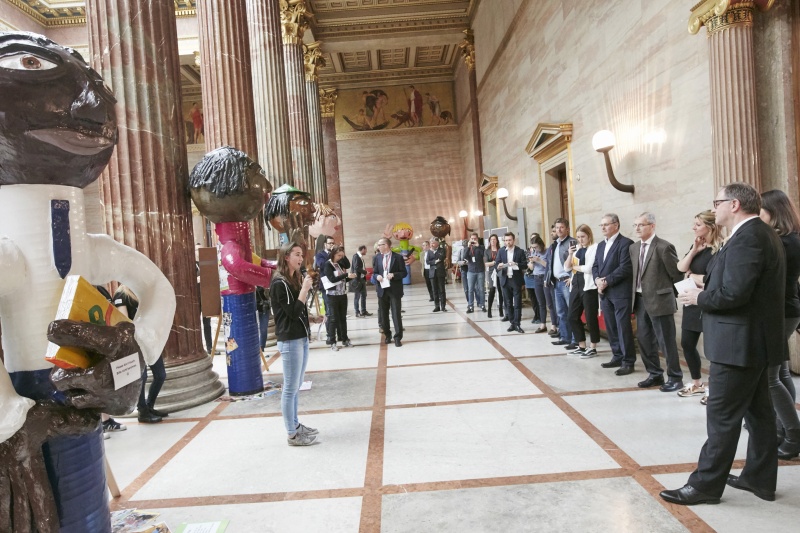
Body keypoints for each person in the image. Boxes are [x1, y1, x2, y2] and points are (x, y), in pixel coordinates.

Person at [662, 183, 785, 506]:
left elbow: (735, 293)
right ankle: (759, 478)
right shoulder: (753, 234)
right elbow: (734, 282)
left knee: (722, 416)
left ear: (733, 205)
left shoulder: (750, 237)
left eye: (716, 202)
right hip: (750, 342)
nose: (713, 208)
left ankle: (705, 485)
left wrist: (698, 296)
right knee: (759, 414)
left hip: (740, 343)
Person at [760, 189, 800, 459]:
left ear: (772, 212)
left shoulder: (781, 242)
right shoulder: (793, 239)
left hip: (780, 311)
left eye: (760, 211)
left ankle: (794, 436)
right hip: (789, 308)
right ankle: (781, 429)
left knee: (769, 377)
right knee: (781, 371)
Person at [270, 243, 323, 446]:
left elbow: (297, 311)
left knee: (297, 385)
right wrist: (304, 289)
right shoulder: (279, 283)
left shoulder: (292, 280)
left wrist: (311, 318)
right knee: (290, 388)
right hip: (290, 340)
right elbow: (290, 314)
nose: (301, 259)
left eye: (302, 255)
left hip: (300, 337)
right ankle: (292, 433)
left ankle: (296, 424)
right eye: (297, 255)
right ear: (286, 257)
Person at [629, 212, 683, 391]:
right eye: (635, 225)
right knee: (644, 339)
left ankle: (675, 378)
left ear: (652, 226)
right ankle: (655, 374)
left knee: (665, 341)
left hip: (660, 300)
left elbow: (676, 274)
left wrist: (670, 296)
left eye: (641, 225)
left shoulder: (664, 247)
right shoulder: (634, 248)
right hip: (640, 300)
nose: (637, 228)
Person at [676, 210, 722, 402]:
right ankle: (697, 383)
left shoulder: (720, 249)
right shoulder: (698, 246)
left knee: (713, 349)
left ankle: (715, 388)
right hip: (691, 302)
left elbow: (716, 280)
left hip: (709, 302)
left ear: (710, 227)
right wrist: (694, 250)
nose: (693, 228)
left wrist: (693, 277)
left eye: (697, 224)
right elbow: (680, 268)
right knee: (687, 343)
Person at [114, 285, 166, 424]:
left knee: (160, 374)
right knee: (141, 377)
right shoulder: (121, 295)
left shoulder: (142, 292)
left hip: (149, 339)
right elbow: (123, 321)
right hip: (136, 341)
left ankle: (149, 406)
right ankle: (142, 411)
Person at [593, 214, 636, 376]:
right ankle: (617, 355)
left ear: (616, 225)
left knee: (622, 327)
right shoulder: (600, 246)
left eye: (606, 224)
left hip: (619, 292)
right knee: (610, 326)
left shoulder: (626, 243)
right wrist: (597, 279)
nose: (603, 228)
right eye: (601, 225)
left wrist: (606, 281)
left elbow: (625, 267)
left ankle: (628, 361)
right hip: (604, 292)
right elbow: (596, 265)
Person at [564, 225, 599, 357]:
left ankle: (593, 347)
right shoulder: (577, 249)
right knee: (572, 316)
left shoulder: (594, 248)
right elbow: (567, 268)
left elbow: (589, 268)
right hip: (576, 285)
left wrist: (576, 266)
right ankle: (582, 345)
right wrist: (571, 254)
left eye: (582, 237)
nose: (580, 240)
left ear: (589, 236)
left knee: (590, 317)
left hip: (589, 286)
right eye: (578, 237)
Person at [545, 218, 576, 347]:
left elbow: (577, 261)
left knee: (571, 312)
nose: (559, 230)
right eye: (557, 228)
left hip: (567, 281)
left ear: (567, 229)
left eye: (561, 227)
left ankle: (575, 340)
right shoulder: (555, 244)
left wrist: (572, 277)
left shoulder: (572, 242)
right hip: (556, 283)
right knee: (561, 312)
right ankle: (565, 337)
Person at [321, 245, 357, 351]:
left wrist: (350, 277)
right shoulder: (327, 265)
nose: (340, 257)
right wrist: (346, 275)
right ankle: (332, 341)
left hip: (342, 294)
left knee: (342, 318)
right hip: (332, 296)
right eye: (339, 255)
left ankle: (344, 338)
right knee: (333, 319)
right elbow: (332, 279)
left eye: (342, 255)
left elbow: (343, 279)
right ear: (333, 254)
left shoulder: (339, 264)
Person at [373, 238, 407, 346]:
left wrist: (394, 275)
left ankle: (398, 337)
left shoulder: (398, 257)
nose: (378, 247)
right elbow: (374, 272)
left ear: (386, 245)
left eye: (380, 245)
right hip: (382, 289)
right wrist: (376, 276)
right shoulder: (377, 257)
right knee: (383, 314)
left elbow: (404, 273)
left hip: (394, 289)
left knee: (396, 314)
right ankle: (387, 335)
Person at [496, 232, 526, 333]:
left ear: (513, 240)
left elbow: (524, 265)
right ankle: (512, 323)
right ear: (504, 241)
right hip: (505, 279)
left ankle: (517, 324)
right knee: (508, 303)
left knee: (517, 303)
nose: (508, 242)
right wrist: (499, 266)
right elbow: (496, 263)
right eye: (506, 240)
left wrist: (516, 264)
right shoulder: (501, 251)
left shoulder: (520, 251)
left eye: (509, 240)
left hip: (515, 279)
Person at [527, 234, 550, 332]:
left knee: (550, 303)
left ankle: (554, 325)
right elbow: (531, 268)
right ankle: (542, 325)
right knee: (541, 303)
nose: (535, 249)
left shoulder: (547, 251)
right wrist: (531, 262)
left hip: (545, 277)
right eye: (533, 247)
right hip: (536, 278)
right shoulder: (534, 252)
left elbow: (549, 266)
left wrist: (539, 260)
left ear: (540, 244)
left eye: (536, 247)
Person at [464, 232, 486, 313]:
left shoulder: (482, 247)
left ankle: (482, 304)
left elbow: (483, 255)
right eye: (472, 239)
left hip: (480, 270)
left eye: (475, 239)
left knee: (481, 289)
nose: (473, 240)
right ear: (470, 239)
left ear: (478, 239)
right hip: (471, 271)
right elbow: (465, 257)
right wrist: (468, 247)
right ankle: (470, 306)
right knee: (470, 289)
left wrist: (478, 246)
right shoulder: (468, 248)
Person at [484, 234, 504, 319]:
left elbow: (503, 261)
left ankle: (501, 310)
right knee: (492, 290)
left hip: (500, 271)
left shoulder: (500, 250)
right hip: (491, 272)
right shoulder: (487, 251)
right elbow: (486, 264)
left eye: (494, 239)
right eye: (491, 239)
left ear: (497, 241)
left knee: (500, 290)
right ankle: (489, 310)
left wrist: (495, 263)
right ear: (489, 241)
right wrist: (495, 262)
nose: (493, 241)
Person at [545, 225, 560, 337]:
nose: (552, 233)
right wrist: (547, 278)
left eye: (554, 231)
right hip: (551, 280)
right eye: (553, 231)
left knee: (561, 309)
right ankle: (560, 330)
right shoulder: (552, 246)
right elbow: (549, 265)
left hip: (562, 281)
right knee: (554, 306)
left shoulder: (566, 244)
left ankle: (563, 332)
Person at [523, 235, 541, 325]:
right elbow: (528, 265)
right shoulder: (527, 252)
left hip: (537, 276)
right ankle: (536, 315)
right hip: (528, 276)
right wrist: (531, 261)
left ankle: (540, 316)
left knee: (539, 298)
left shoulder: (540, 251)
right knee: (532, 298)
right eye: (531, 238)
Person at [427, 237, 448, 312]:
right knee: (434, 290)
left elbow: (441, 258)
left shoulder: (442, 250)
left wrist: (434, 255)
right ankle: (437, 306)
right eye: (431, 243)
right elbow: (428, 261)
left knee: (442, 290)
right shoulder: (429, 252)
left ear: (437, 243)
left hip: (440, 272)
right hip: (432, 273)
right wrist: (435, 261)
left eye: (433, 243)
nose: (431, 244)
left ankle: (443, 306)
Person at [351, 245, 372, 318]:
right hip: (357, 280)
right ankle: (357, 312)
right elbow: (356, 268)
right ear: (363, 249)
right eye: (366, 250)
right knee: (357, 297)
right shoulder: (356, 256)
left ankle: (364, 311)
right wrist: (365, 272)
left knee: (364, 295)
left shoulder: (360, 257)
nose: (366, 251)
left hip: (362, 279)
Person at [255, 286, 271, 350]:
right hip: (254, 308)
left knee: (263, 329)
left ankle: (261, 346)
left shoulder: (264, 282)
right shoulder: (250, 282)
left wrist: (265, 289)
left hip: (264, 308)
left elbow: (269, 296)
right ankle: (256, 346)